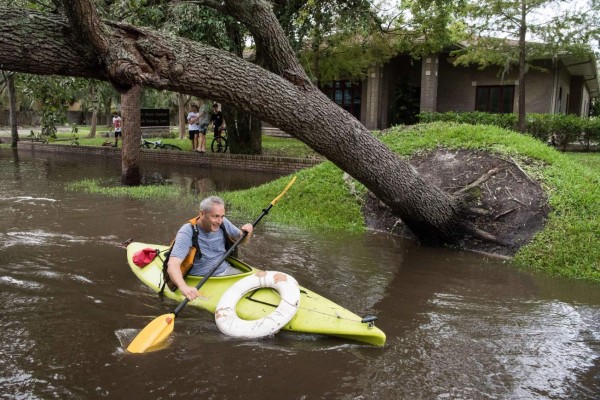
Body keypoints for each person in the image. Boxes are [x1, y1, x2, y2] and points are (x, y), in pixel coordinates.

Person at [167, 196, 253, 301]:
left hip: (226, 272)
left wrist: (246, 234)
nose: (220, 221)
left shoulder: (223, 222)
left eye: (222, 216)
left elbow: (242, 240)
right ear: (202, 214)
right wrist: (183, 287)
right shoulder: (187, 231)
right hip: (201, 279)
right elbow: (172, 265)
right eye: (216, 216)